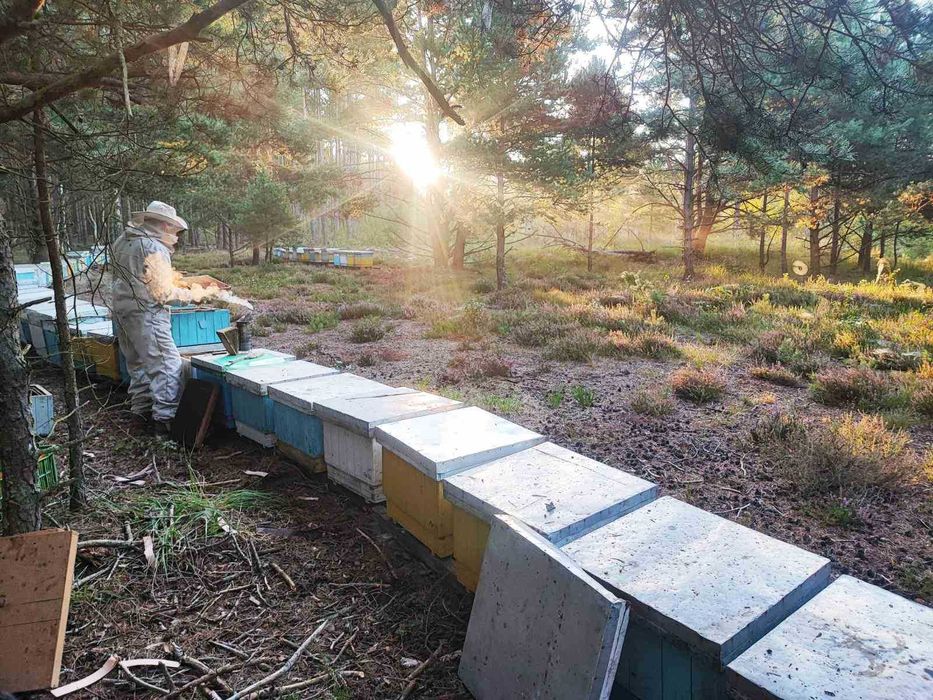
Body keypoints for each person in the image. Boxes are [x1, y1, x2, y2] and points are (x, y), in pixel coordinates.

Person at [110, 201, 190, 433]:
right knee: (167, 366)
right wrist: (191, 295)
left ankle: (140, 416)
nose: (175, 235)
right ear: (164, 224)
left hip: (123, 311)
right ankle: (164, 425)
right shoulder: (153, 247)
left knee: (137, 365)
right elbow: (162, 293)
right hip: (147, 314)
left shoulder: (123, 240)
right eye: (174, 229)